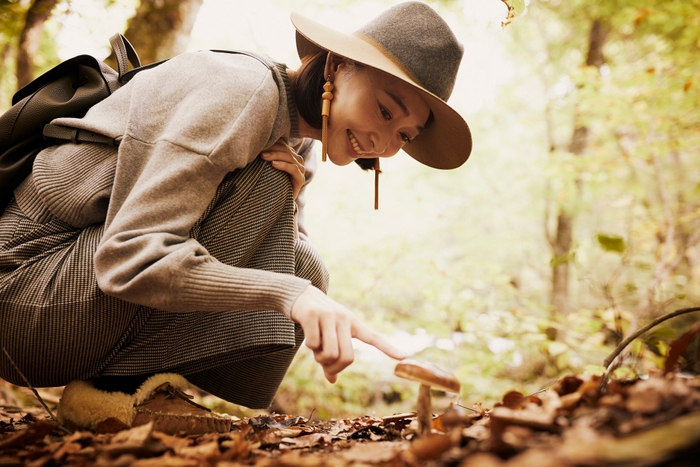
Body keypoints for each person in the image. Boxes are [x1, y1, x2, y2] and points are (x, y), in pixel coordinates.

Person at [0, 1, 472, 433]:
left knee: (307, 265)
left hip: (68, 299)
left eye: (405, 136)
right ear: (337, 64)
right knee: (285, 244)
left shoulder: (299, 140)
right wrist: (290, 295)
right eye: (385, 109)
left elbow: (285, 264)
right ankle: (113, 393)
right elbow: (130, 257)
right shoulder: (244, 92)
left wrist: (290, 218)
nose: (384, 143)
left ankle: (120, 389)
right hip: (20, 296)